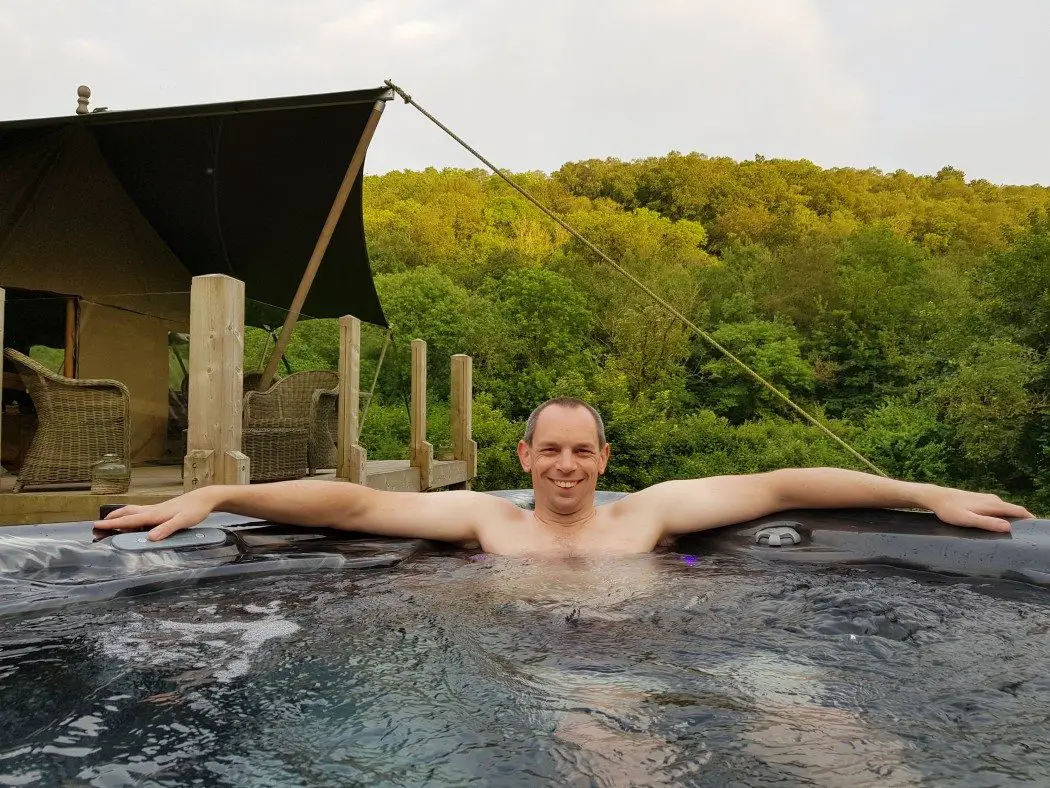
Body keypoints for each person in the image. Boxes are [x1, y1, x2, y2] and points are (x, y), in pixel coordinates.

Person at [95, 397, 1034, 553]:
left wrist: (926, 493)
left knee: (821, 728)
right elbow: (354, 503)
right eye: (552, 450)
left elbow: (787, 484)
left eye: (583, 451)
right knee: (608, 740)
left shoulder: (650, 517)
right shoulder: (488, 523)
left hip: (658, 647)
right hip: (550, 669)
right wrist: (219, 492)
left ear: (605, 461)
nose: (568, 465)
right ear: (526, 459)